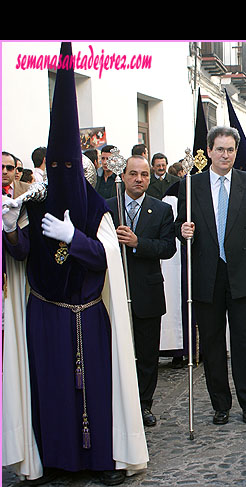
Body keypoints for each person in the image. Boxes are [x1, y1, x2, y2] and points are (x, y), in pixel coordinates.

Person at [1, 42, 147, 487]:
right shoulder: (35, 201)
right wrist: (9, 227)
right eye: (57, 164)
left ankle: (102, 459)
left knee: (95, 391)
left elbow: (105, 257)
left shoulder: (96, 207)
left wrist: (74, 238)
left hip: (87, 314)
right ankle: (53, 463)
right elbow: (23, 253)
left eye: (71, 164)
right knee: (51, 391)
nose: (64, 171)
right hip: (45, 315)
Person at [175, 126, 246, 425]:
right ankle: (220, 404)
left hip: (244, 272)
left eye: (230, 150)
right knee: (213, 342)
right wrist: (183, 231)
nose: (226, 155)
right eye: (220, 149)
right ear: (209, 151)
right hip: (207, 273)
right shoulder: (191, 185)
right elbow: (181, 223)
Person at [106, 155, 176, 427]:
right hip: (115, 290)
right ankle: (119, 402)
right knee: (118, 351)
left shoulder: (160, 210)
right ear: (123, 176)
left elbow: (167, 248)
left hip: (147, 293)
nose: (139, 179)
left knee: (148, 354)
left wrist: (138, 243)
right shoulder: (108, 207)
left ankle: (144, 404)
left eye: (144, 175)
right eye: (133, 174)